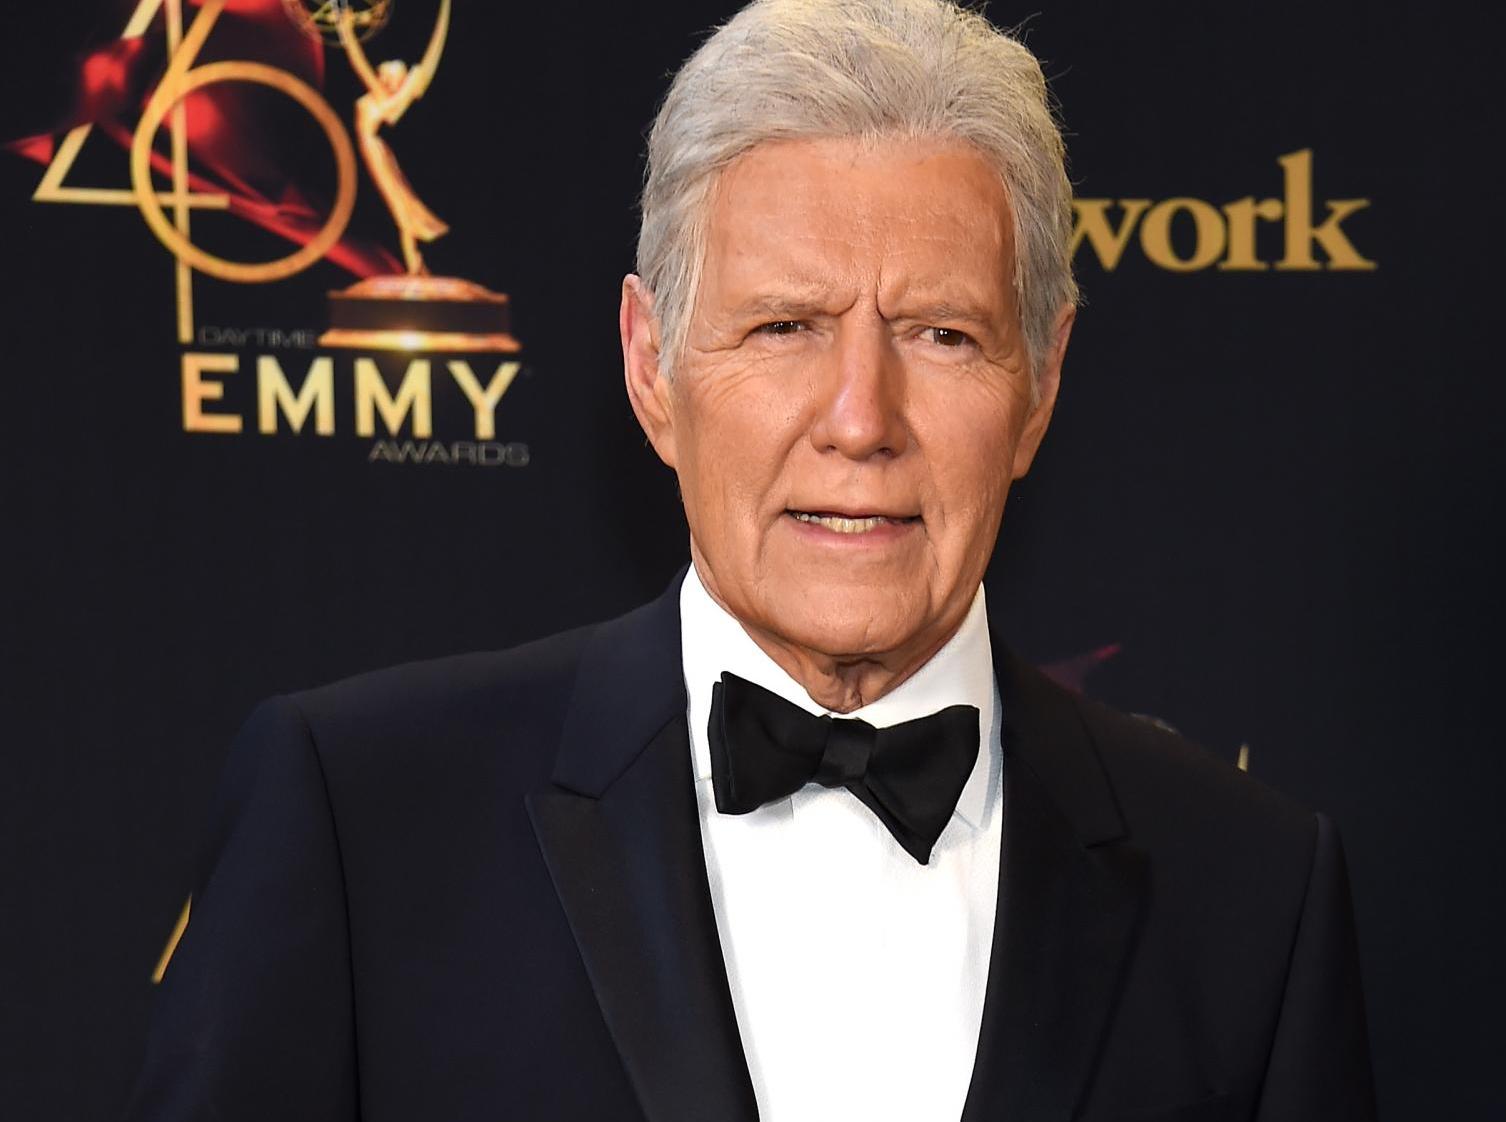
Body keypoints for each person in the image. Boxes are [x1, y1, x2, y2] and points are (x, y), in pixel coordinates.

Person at [124, 1, 1377, 1119]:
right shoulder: (363, 822)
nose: (858, 418)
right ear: (652, 367)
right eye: (784, 327)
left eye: (941, 334)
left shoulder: (1251, 892)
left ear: (1040, 385)